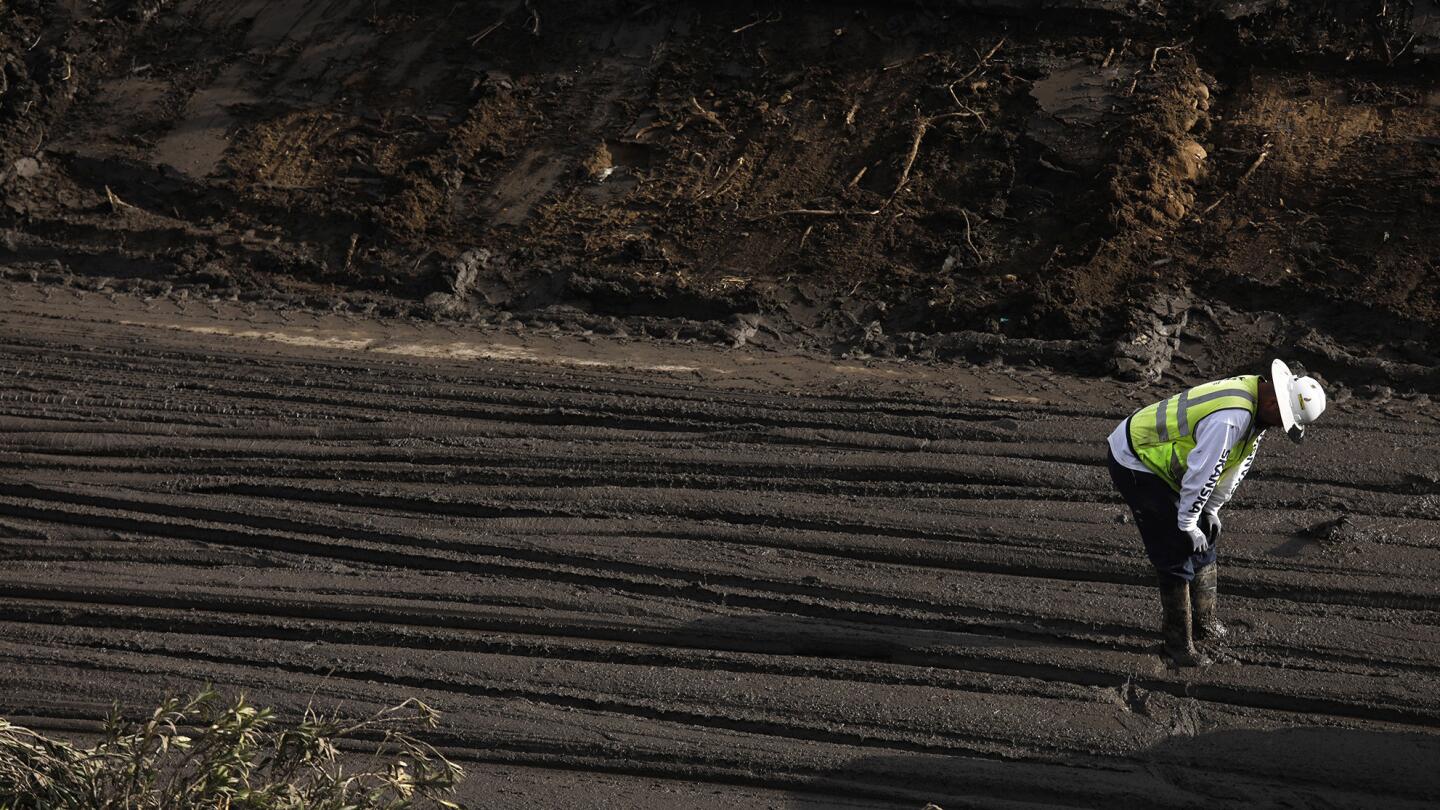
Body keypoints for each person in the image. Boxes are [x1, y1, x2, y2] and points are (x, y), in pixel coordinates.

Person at [1107, 359, 1326, 667]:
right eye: (1284, 419)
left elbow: (1237, 464)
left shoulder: (1257, 404)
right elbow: (1204, 470)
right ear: (1274, 403)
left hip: (1167, 461)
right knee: (1176, 546)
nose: (1280, 427)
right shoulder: (1231, 418)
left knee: (1205, 535)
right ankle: (1178, 644)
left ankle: (1205, 621)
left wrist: (1211, 510)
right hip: (1137, 457)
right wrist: (1186, 524)